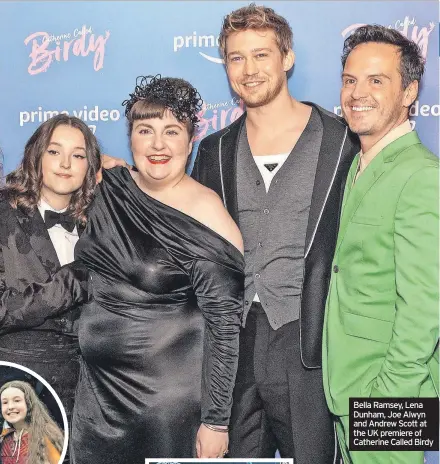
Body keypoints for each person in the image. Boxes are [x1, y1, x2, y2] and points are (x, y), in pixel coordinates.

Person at [189, 4, 359, 462]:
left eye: (261, 55)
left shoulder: (342, 141)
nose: (249, 70)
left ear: (287, 58)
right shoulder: (214, 150)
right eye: (236, 58)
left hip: (311, 343)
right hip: (235, 346)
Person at [70, 75, 244, 463]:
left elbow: (225, 327)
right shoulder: (110, 187)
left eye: (172, 131)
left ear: (190, 139)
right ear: (130, 137)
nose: (158, 144)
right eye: (145, 130)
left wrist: (216, 422)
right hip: (95, 401)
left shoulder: (207, 215)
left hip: (165, 410)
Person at [322, 25, 439, 464]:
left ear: (409, 92)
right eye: (350, 80)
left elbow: (424, 307)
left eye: (377, 80)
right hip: (348, 387)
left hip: (389, 397)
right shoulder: (360, 162)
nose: (357, 93)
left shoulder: (422, 175)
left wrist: (388, 398)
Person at [0, 114, 100, 427]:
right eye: (54, 151)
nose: (65, 163)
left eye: (78, 155)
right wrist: (69, 285)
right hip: (18, 383)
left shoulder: (100, 225)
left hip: (88, 395)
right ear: (36, 156)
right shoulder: (4, 211)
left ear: (90, 168)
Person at [0, 380, 64, 464]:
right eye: (5, 402)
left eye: (17, 400)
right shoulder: (4, 438)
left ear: (28, 403)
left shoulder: (46, 433)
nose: (10, 406)